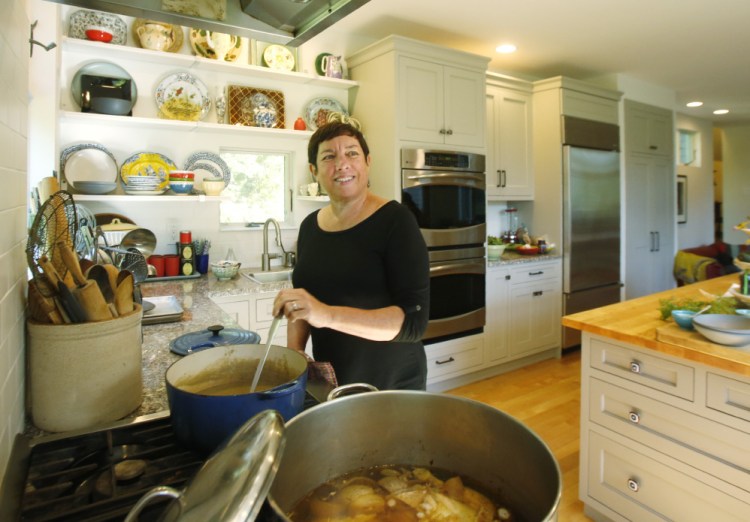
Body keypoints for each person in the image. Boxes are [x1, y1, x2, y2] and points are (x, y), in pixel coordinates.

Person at [272, 118, 430, 390]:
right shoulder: (310, 226)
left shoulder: (396, 221)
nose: (342, 164)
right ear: (314, 171)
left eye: (352, 153)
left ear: (367, 162)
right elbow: (302, 301)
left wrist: (326, 314)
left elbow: (413, 324)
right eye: (329, 156)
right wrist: (295, 349)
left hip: (391, 382)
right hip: (333, 380)